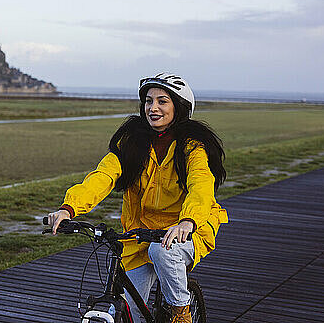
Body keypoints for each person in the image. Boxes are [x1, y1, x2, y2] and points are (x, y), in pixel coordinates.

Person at [48, 73, 228, 323]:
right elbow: (103, 175)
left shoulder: (192, 147)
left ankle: (181, 312)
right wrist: (69, 208)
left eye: (162, 101)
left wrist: (188, 221)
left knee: (162, 251)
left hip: (187, 229)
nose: (153, 108)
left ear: (179, 107)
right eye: (148, 101)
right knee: (129, 312)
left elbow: (201, 185)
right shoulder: (132, 143)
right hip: (139, 233)